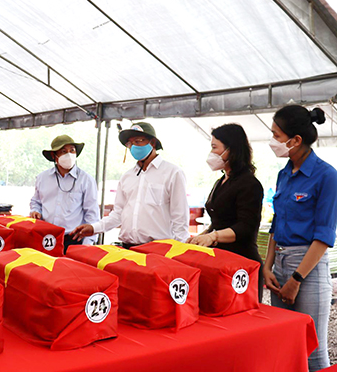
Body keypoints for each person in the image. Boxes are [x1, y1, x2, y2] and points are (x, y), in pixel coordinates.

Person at [263, 106, 336, 372]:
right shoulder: (284, 174)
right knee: (286, 344)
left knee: (313, 351)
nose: (272, 141)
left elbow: (324, 235)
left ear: (295, 140)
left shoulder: (326, 176)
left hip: (307, 267)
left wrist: (296, 279)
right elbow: (277, 223)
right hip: (280, 263)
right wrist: (267, 266)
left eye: (276, 135)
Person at [71, 122, 189, 247]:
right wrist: (94, 228)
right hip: (128, 248)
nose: (133, 147)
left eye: (138, 141)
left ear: (153, 143)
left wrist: (180, 249)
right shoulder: (127, 177)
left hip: (158, 249)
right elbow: (117, 214)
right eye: (130, 144)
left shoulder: (172, 173)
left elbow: (180, 218)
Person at [187, 124, 264, 300]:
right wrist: (201, 237)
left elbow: (246, 227)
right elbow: (219, 221)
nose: (211, 153)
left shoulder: (249, 184)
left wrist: (213, 236)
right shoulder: (222, 181)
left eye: (215, 147)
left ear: (231, 150)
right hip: (220, 261)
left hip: (242, 263)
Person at [30, 135, 99, 253]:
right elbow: (36, 202)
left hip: (74, 240)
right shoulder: (43, 178)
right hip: (46, 238)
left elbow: (92, 214)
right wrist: (35, 211)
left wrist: (87, 245)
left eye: (72, 150)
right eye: (63, 151)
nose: (69, 155)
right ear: (54, 156)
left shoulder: (86, 180)